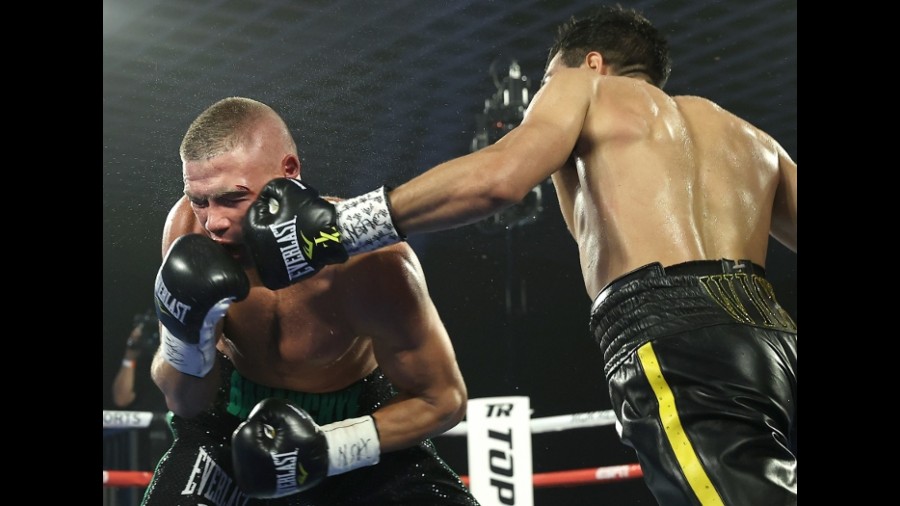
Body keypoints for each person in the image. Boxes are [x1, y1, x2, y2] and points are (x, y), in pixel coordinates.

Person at [248, 6, 797, 505]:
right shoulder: (749, 138)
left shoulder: (583, 87)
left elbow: (499, 180)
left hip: (673, 331)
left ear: (592, 62)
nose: (543, 93)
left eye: (547, 78)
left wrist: (337, 228)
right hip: (774, 336)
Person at [144, 96, 479, 505]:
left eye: (233, 198)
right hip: (226, 426)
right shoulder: (187, 234)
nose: (213, 221)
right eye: (200, 199)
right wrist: (184, 340)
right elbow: (184, 401)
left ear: (289, 172)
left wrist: (328, 449)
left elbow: (442, 400)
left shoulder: (370, 265)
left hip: (355, 421)